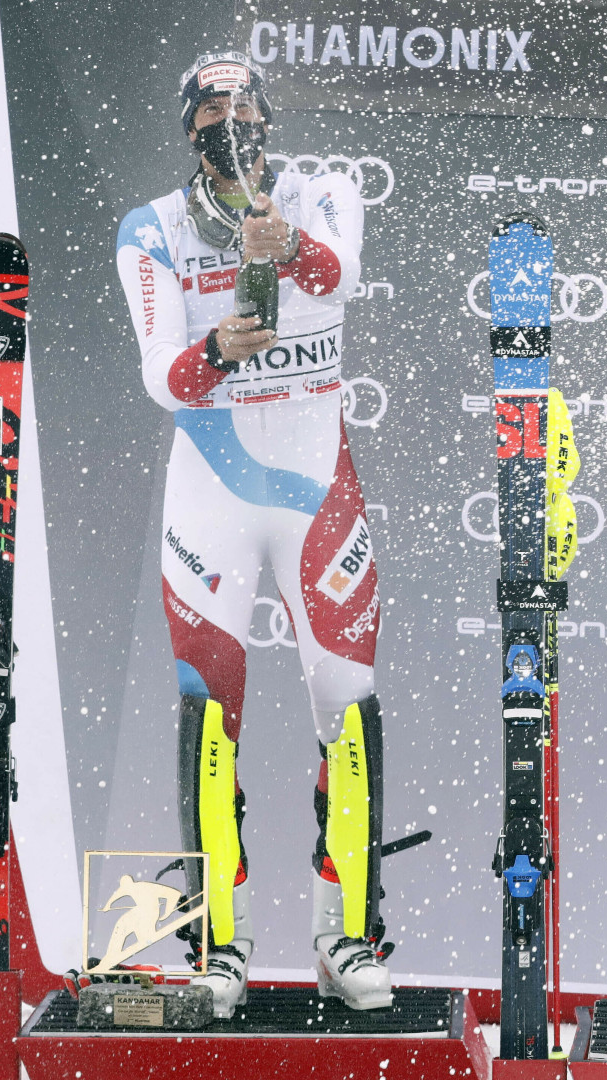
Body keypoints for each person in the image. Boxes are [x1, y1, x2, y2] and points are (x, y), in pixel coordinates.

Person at [114, 52, 393, 1016]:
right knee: (209, 714)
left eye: (244, 107)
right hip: (213, 495)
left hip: (317, 490)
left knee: (348, 708)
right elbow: (161, 376)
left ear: (270, 116)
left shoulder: (321, 190)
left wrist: (285, 249)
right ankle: (215, 944)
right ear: (187, 125)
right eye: (210, 111)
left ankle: (346, 931)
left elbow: (343, 276)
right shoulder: (150, 227)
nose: (229, 125)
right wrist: (215, 348)